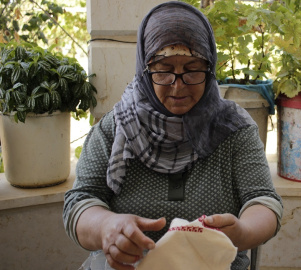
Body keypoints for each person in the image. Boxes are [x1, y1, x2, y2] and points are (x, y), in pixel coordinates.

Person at [62, 2, 283, 270]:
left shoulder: (234, 129)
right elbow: (80, 201)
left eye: (192, 69)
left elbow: (263, 201)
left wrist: (242, 231)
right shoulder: (115, 128)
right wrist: (106, 226)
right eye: (163, 69)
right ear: (145, 70)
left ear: (210, 69)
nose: (178, 85)